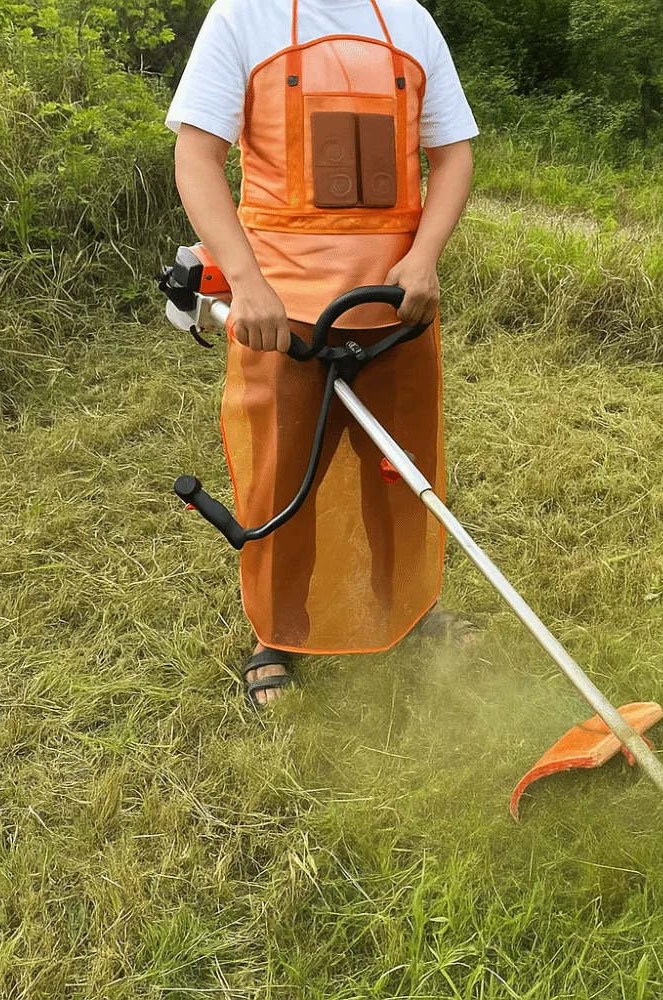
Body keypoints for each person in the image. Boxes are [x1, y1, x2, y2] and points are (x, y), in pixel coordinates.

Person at [166, 0, 478, 705]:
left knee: (399, 476)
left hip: (394, 312)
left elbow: (453, 154)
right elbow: (197, 155)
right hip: (284, 315)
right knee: (282, 479)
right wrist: (247, 282)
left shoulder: (409, 21)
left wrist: (424, 258)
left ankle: (411, 610)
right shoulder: (242, 16)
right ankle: (278, 631)